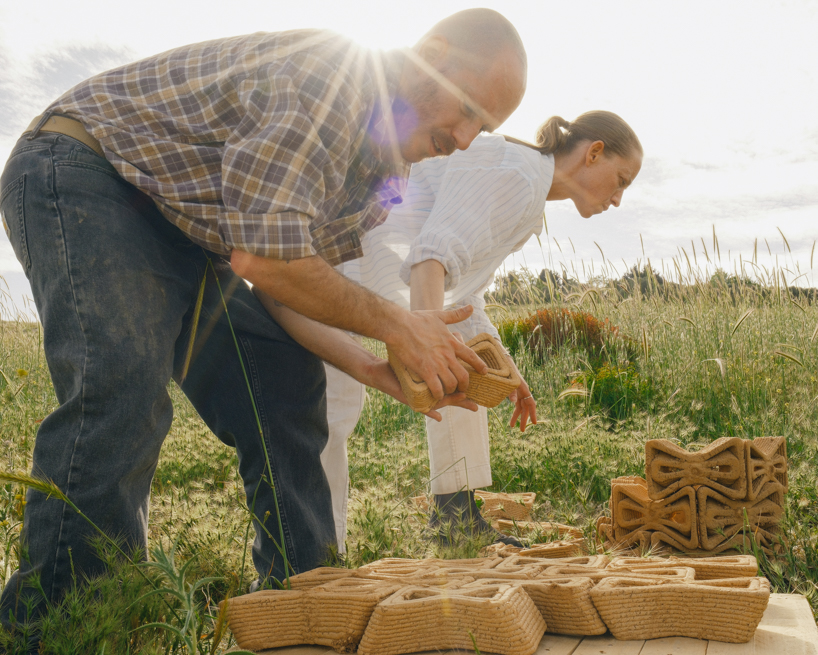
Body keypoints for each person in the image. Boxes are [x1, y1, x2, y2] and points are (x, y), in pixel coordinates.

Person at [0, 9, 527, 630]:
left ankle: (302, 599)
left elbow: (285, 291)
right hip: (89, 170)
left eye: (484, 127)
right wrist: (397, 324)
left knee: (283, 375)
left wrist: (370, 366)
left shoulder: (385, 177)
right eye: (468, 110)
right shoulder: (330, 77)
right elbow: (267, 261)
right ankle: (65, 626)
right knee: (122, 389)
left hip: (186, 230)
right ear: (432, 55)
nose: (466, 138)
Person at [260, 111, 643, 550]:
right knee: (328, 411)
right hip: (320, 266)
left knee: (457, 366)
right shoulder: (515, 173)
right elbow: (431, 260)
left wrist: (502, 366)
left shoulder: (527, 192)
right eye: (622, 180)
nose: (618, 199)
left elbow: (462, 296)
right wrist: (423, 348)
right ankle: (315, 557)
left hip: (351, 277)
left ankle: (443, 516)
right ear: (594, 153)